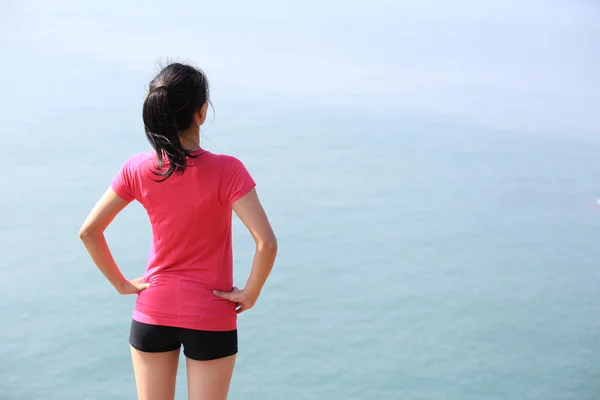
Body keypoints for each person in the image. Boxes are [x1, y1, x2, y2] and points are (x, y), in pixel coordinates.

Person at [79, 62, 277, 400]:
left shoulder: (137, 169)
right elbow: (266, 243)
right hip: (211, 313)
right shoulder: (228, 170)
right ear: (201, 113)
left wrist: (122, 284)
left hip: (152, 310)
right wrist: (250, 292)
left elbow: (89, 232)